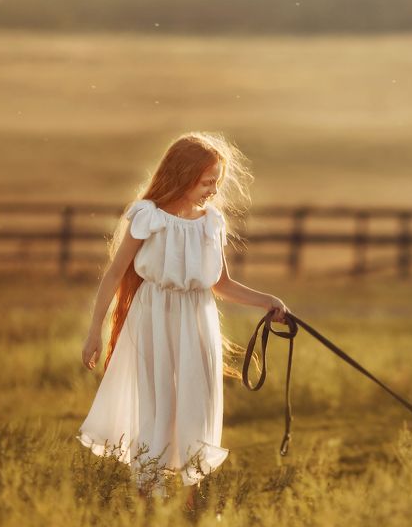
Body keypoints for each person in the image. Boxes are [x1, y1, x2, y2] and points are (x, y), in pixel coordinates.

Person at [76, 132, 287, 503]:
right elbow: (114, 274)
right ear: (184, 175)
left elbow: (221, 284)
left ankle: (193, 499)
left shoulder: (211, 222)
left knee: (196, 400)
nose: (213, 190)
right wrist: (95, 330)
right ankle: (147, 498)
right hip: (153, 318)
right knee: (155, 402)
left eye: (217, 182)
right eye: (207, 182)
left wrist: (268, 301)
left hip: (196, 320)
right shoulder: (148, 217)